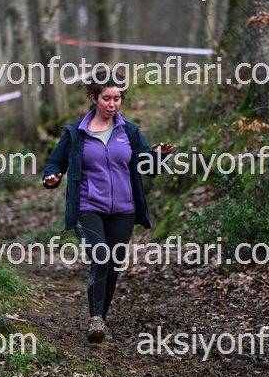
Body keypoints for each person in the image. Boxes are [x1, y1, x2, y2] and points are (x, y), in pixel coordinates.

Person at [42, 70, 174, 343]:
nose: (112, 104)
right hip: (88, 207)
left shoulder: (130, 132)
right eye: (106, 98)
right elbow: (55, 162)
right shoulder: (76, 134)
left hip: (124, 211)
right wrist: (52, 177)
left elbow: (148, 168)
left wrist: (158, 157)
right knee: (100, 257)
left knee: (113, 265)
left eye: (117, 98)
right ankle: (94, 318)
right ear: (93, 98)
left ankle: (101, 318)